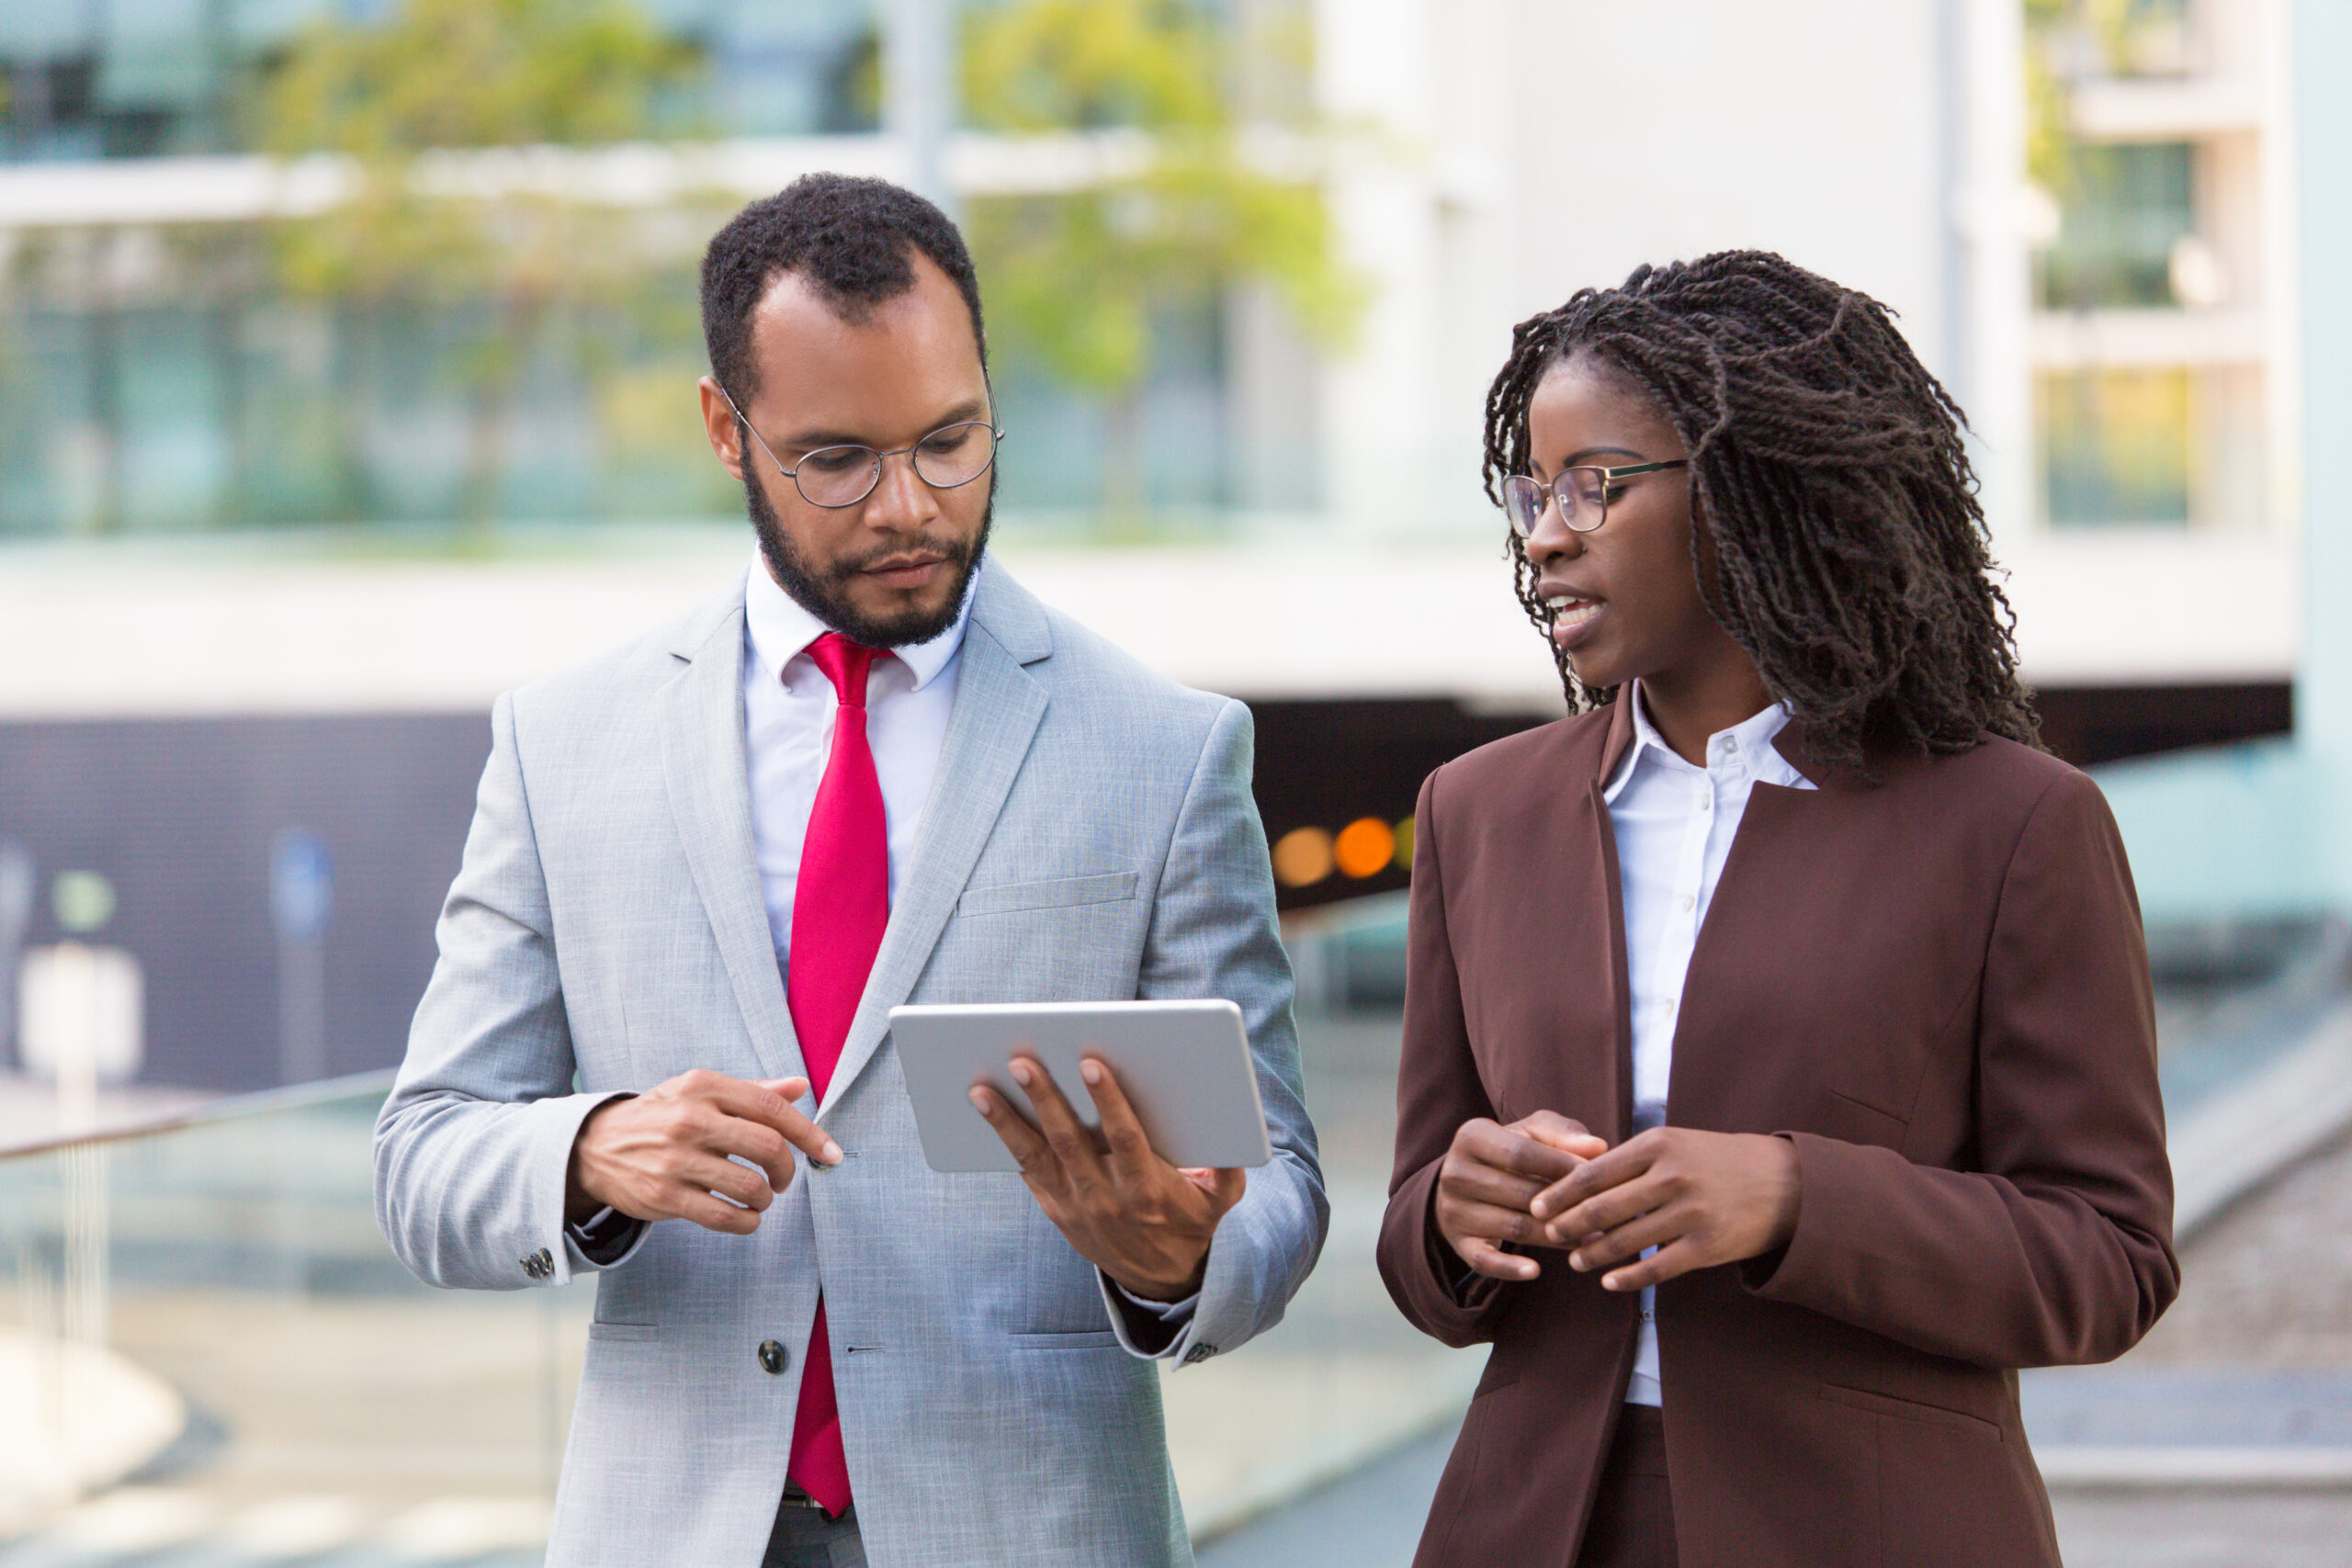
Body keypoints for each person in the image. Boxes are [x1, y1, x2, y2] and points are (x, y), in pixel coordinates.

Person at [374, 174, 1325, 1568]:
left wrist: (1183, 1258)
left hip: (1032, 1530)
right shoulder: (562, 744)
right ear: (724, 429)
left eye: (950, 440)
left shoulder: (1166, 749)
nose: (909, 506)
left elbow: (1282, 1183)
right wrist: (587, 1150)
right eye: (836, 460)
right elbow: (422, 1158)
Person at [1376, 252, 2177, 1568]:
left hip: (1870, 1528)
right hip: (1537, 1526)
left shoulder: (2012, 825)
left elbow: (2110, 1260)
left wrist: (1795, 1198)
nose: (1544, 531)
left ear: (1751, 491)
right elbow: (1422, 1249)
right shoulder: (1477, 813)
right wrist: (1451, 1216)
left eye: (1597, 484)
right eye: (1534, 487)